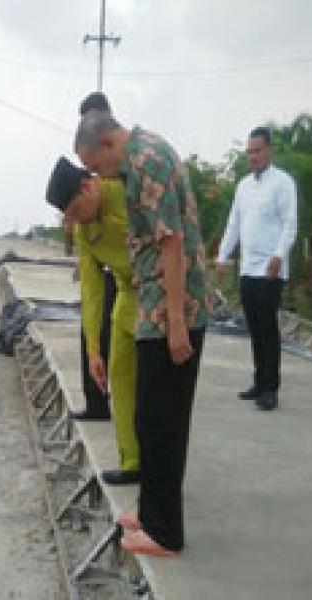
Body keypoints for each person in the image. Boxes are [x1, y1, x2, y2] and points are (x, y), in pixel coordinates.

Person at [74, 110, 208, 557]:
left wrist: (175, 322)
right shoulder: (136, 160)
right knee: (150, 418)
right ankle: (151, 515)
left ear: (109, 146)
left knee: (163, 421)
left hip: (171, 308)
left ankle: (165, 533)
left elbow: (172, 243)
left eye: (95, 167)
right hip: (150, 307)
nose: (98, 177)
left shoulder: (147, 161)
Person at [46, 156, 140, 485]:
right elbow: (92, 293)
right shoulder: (86, 234)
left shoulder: (126, 193)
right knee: (118, 373)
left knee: (154, 387)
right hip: (129, 296)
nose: (72, 223)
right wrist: (93, 350)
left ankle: (158, 464)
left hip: (160, 292)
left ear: (89, 186)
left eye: (73, 211)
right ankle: (132, 462)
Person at [216, 127, 297, 411]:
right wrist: (223, 256)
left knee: (267, 328)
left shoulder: (283, 183)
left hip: (270, 269)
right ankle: (258, 381)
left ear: (269, 151)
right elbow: (234, 224)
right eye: (249, 151)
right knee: (253, 326)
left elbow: (290, 223)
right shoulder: (243, 186)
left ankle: (270, 388)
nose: (253, 156)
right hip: (248, 268)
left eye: (258, 150)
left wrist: (279, 254)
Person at [73, 91, 118, 422]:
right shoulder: (95, 165)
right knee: (91, 334)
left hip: (130, 273)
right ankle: (97, 403)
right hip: (102, 265)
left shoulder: (123, 166)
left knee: (118, 342)